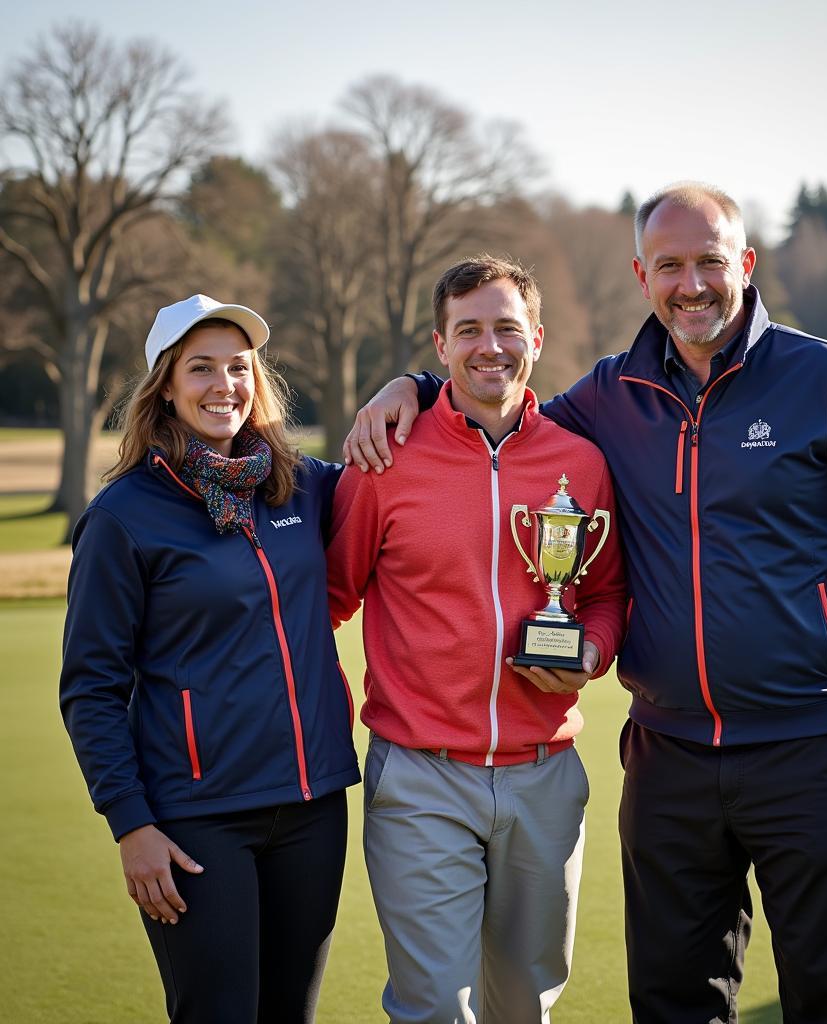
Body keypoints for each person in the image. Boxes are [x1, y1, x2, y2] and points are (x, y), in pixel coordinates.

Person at [341, 184, 827, 1024]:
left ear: (745, 266)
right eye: (671, 266)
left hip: (817, 748)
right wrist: (412, 388)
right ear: (641, 275)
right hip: (671, 756)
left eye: (710, 263)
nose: (692, 285)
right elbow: (498, 401)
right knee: (676, 1004)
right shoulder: (607, 399)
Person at [326, 256, 627, 1024]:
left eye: (505, 328)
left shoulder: (581, 463)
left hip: (545, 774)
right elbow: (328, 599)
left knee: (525, 1006)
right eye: (469, 331)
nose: (488, 346)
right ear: (439, 344)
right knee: (434, 1010)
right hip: (420, 776)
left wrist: (589, 650)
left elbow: (605, 594)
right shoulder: (382, 461)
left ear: (537, 337)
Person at [60, 294, 360, 1024]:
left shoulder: (301, 485)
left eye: (239, 366)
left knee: (290, 1013)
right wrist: (131, 825)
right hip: (196, 821)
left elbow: (389, 467)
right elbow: (91, 688)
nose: (224, 384)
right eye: (202, 368)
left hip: (313, 807)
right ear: (165, 382)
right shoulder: (123, 516)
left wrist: (409, 389)